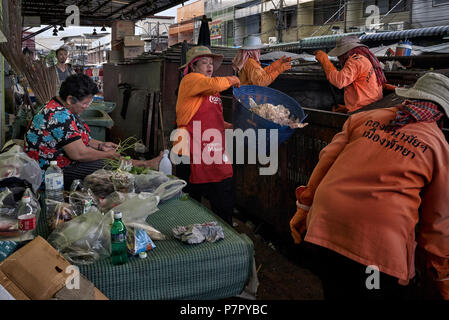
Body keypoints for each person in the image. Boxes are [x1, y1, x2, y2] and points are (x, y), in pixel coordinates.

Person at [289, 72, 449, 300]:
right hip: (378, 249)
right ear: (442, 113)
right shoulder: (438, 146)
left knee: (335, 291)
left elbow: (325, 162)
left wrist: (303, 208)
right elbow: (438, 220)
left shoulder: (363, 118)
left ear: (409, 98)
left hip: (327, 226)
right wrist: (442, 274)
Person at [24, 73, 161, 189]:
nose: (86, 107)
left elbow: (75, 138)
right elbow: (79, 154)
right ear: (70, 99)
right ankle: (145, 165)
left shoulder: (59, 105)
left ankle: (144, 165)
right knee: (106, 163)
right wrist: (107, 155)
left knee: (106, 155)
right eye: (84, 104)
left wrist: (100, 145)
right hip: (51, 175)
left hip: (60, 164)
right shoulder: (58, 115)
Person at [174, 46, 240, 225]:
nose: (209, 66)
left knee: (220, 188)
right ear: (194, 66)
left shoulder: (210, 88)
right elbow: (215, 84)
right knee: (192, 194)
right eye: (204, 63)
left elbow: (210, 117)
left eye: (211, 63)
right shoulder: (191, 79)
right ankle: (190, 231)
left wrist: (228, 126)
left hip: (211, 145)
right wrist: (234, 79)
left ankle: (224, 233)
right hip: (189, 145)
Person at [314, 35, 386, 113]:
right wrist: (348, 108)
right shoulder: (365, 58)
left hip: (364, 110)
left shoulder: (355, 60)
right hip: (371, 105)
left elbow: (339, 81)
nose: (339, 57)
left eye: (340, 55)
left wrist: (324, 60)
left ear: (346, 52)